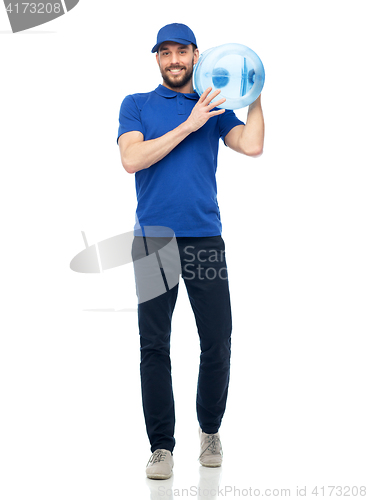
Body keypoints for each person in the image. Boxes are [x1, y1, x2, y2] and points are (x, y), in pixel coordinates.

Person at [117, 23, 264, 479]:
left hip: (204, 236)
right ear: (157, 59)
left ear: (197, 56)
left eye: (182, 51)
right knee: (154, 345)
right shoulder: (136, 105)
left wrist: (254, 92)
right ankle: (161, 448)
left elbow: (253, 145)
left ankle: (210, 432)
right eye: (166, 52)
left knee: (217, 341)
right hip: (154, 239)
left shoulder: (215, 107)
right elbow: (131, 160)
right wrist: (189, 125)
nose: (174, 59)